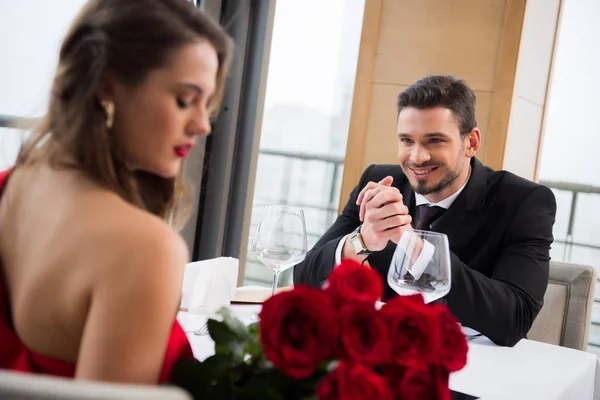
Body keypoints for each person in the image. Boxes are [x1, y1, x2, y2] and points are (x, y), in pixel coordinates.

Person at [0, 0, 232, 384]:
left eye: (205, 105)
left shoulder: (12, 185)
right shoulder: (144, 248)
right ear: (108, 86)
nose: (201, 126)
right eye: (184, 101)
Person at [293, 75, 557, 347]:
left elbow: (513, 319)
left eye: (434, 141)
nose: (417, 157)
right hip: (379, 352)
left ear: (471, 143)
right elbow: (303, 279)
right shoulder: (379, 181)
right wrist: (362, 241)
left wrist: (416, 246)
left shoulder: (524, 201)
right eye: (407, 140)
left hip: (473, 362)